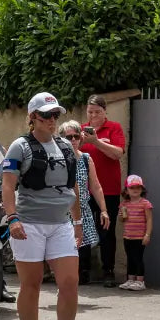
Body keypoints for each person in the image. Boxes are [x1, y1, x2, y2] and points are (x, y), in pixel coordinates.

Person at [1, 92, 86, 320]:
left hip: (60, 223)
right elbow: (7, 185)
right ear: (33, 117)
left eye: (55, 115)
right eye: (47, 115)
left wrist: (77, 222)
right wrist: (12, 218)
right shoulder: (20, 147)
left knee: (70, 282)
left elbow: (72, 187)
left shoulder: (65, 146)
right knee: (32, 284)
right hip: (29, 224)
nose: (52, 120)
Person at [79, 95, 127, 287]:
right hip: (84, 189)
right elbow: (71, 152)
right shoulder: (81, 130)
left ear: (105, 111)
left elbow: (117, 153)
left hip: (109, 189)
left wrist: (97, 141)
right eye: (90, 112)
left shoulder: (114, 127)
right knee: (81, 228)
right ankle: (83, 271)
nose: (93, 115)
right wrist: (82, 141)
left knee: (107, 230)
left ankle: (108, 271)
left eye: (97, 112)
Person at [61, 120, 110, 285]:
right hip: (62, 211)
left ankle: (80, 277)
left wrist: (103, 210)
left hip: (82, 209)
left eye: (76, 136)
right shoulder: (57, 158)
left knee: (83, 248)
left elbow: (95, 186)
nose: (73, 140)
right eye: (69, 137)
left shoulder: (86, 159)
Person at [118, 175, 152, 290]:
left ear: (142, 189)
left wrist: (147, 234)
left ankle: (140, 281)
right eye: (132, 188)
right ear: (126, 190)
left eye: (138, 187)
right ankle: (130, 279)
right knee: (130, 258)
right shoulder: (124, 204)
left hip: (139, 237)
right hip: (128, 236)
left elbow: (149, 220)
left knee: (138, 258)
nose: (135, 190)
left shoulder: (145, 203)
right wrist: (121, 216)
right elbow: (122, 220)